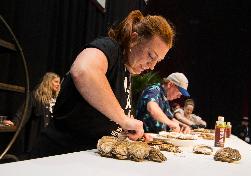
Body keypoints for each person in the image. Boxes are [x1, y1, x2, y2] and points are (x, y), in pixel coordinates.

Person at [30, 10, 175, 158]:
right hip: (58, 157)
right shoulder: (110, 47)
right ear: (134, 39)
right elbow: (83, 70)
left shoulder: (127, 74)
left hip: (86, 160)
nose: (152, 66)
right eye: (151, 55)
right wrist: (123, 120)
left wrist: (132, 132)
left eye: (157, 61)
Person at [3, 72, 60, 158]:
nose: (58, 84)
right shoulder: (36, 96)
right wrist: (14, 122)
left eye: (59, 82)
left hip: (53, 141)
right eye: (56, 82)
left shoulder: (58, 99)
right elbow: (23, 112)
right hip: (39, 141)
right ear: (48, 82)